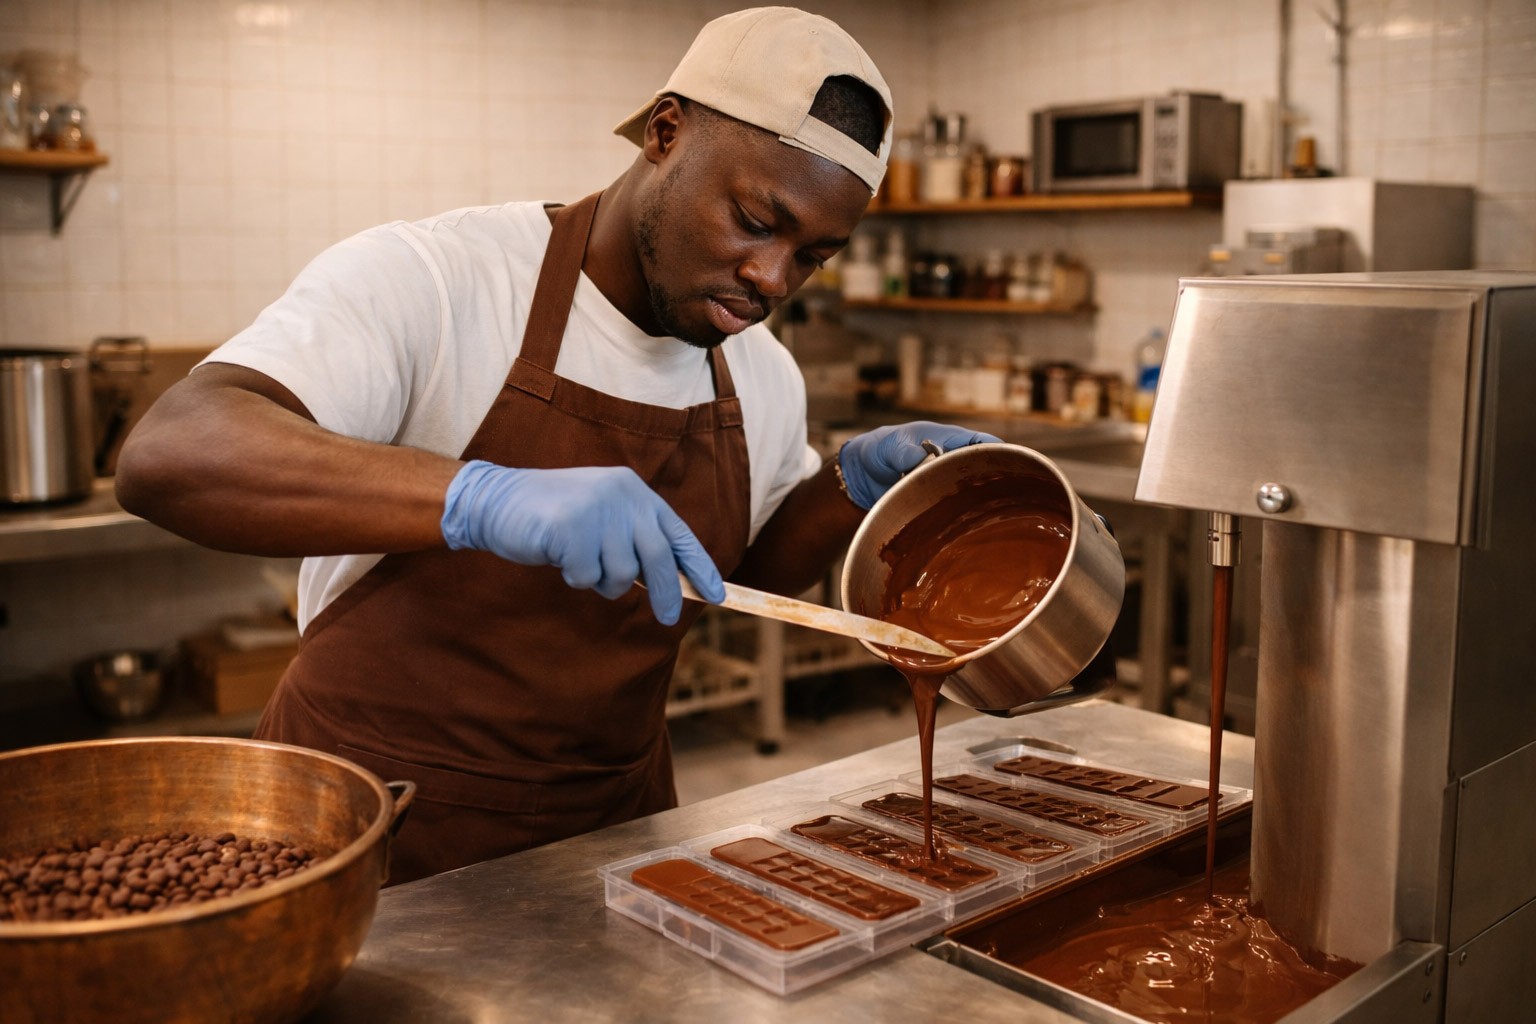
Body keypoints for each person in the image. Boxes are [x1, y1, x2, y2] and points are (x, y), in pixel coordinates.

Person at [115, 6, 998, 883]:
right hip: (373, 821)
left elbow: (735, 586)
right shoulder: (440, 279)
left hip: (613, 832)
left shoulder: (760, 374)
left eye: (814, 256)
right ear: (665, 132)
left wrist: (845, 482)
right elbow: (172, 451)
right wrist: (479, 498)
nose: (772, 280)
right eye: (756, 222)